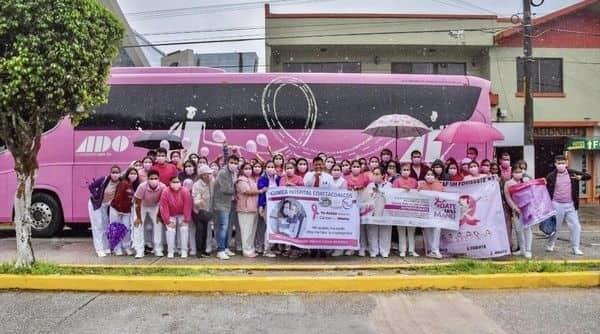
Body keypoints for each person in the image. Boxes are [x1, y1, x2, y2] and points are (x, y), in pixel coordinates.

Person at [545, 155, 591, 255]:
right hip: (556, 204)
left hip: (571, 204)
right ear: (555, 164)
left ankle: (575, 247)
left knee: (576, 226)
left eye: (563, 163)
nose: (561, 165)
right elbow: (546, 191)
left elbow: (588, 176)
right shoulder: (551, 176)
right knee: (555, 227)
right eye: (558, 163)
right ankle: (550, 244)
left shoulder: (572, 173)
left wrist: (581, 177)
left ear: (566, 163)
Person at [87, 165, 121, 257]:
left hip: (105, 206)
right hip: (96, 204)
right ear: (110, 173)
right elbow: (91, 186)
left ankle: (106, 247)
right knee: (98, 226)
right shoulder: (104, 179)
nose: (115, 174)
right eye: (113, 172)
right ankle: (99, 249)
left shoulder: (120, 182)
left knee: (106, 226)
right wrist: (96, 194)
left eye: (117, 172)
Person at [133, 170, 166, 258]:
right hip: (141, 205)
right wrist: (139, 218)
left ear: (159, 179)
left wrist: (159, 215)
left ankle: (158, 249)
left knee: (158, 224)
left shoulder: (163, 187)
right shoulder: (142, 186)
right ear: (147, 179)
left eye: (156, 178)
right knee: (138, 225)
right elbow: (137, 203)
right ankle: (139, 251)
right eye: (151, 178)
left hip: (155, 206)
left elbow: (162, 203)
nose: (153, 180)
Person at [159, 176, 193, 258]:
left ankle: (184, 250)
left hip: (182, 213)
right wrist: (167, 221)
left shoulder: (185, 191)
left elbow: (188, 206)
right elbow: (164, 207)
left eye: (177, 182)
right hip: (170, 214)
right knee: (170, 230)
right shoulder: (165, 192)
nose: (176, 184)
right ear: (170, 183)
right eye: (174, 182)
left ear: (180, 183)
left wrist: (186, 219)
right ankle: (171, 251)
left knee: (184, 229)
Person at [361, 167, 392, 258]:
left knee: (385, 230)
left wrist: (381, 193)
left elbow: (392, 198)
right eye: (374, 174)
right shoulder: (370, 186)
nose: (375, 176)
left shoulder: (389, 185)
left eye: (377, 174)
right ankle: (373, 251)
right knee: (372, 231)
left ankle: (384, 251)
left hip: (384, 211)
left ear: (383, 175)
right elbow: (364, 198)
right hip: (372, 212)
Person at [213, 155, 239, 260]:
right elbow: (225, 189)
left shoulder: (233, 173)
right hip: (220, 204)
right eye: (232, 162)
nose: (234, 165)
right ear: (227, 162)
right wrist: (238, 189)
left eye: (236, 163)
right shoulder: (223, 173)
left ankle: (226, 247)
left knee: (227, 227)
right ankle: (220, 250)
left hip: (229, 203)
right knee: (222, 227)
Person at [109, 167, 139, 256]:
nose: (133, 175)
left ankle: (126, 247)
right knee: (116, 228)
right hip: (116, 209)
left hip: (126, 211)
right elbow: (118, 197)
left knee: (126, 229)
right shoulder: (123, 183)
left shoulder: (134, 185)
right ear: (127, 174)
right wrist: (119, 209)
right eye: (131, 173)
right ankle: (116, 248)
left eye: (135, 174)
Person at [504, 165, 533, 259]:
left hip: (527, 209)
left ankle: (528, 250)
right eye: (516, 172)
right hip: (516, 210)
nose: (518, 174)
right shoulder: (508, 183)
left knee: (527, 229)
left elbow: (532, 192)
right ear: (512, 173)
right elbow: (507, 197)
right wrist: (514, 208)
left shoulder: (526, 181)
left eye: (520, 172)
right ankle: (522, 249)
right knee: (518, 230)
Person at [393, 163, 419, 257]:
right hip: (400, 209)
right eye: (404, 170)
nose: (406, 171)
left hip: (412, 208)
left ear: (410, 171)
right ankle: (402, 250)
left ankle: (412, 250)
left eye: (408, 170)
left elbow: (417, 193)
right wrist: (402, 190)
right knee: (401, 230)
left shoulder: (414, 181)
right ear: (400, 171)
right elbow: (393, 194)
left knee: (411, 231)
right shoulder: (397, 181)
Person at [235, 163, 261, 258]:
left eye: (250, 168)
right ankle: (246, 250)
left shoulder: (251, 179)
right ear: (242, 170)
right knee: (246, 231)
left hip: (253, 208)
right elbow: (246, 191)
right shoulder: (241, 180)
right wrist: (261, 191)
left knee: (252, 231)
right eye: (246, 168)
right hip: (244, 209)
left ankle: (251, 248)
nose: (248, 170)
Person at [418, 169, 444, 259]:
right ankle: (430, 250)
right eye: (427, 174)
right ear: (424, 176)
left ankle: (435, 250)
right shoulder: (421, 186)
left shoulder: (439, 186)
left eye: (431, 174)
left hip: (437, 212)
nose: (429, 176)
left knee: (437, 228)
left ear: (435, 176)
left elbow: (444, 199)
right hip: (425, 212)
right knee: (427, 229)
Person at [257, 161, 281, 257]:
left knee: (274, 228)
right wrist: (261, 206)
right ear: (265, 168)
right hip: (267, 206)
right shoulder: (262, 179)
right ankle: (266, 250)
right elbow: (261, 194)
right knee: (269, 228)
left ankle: (270, 248)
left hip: (277, 207)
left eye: (272, 167)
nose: (270, 168)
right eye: (268, 167)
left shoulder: (278, 179)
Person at [192, 165, 215, 258]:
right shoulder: (197, 185)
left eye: (210, 174)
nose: (210, 176)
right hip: (199, 211)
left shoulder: (212, 182)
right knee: (200, 231)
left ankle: (205, 250)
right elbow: (196, 200)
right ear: (202, 175)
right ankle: (199, 251)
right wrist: (200, 203)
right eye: (207, 174)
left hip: (208, 210)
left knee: (206, 231)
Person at [178, 160, 198, 255]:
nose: (188, 168)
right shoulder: (180, 178)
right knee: (186, 227)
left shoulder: (197, 177)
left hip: (196, 204)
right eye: (186, 166)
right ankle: (186, 248)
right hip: (184, 205)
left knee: (195, 227)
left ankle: (195, 248)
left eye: (190, 166)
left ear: (194, 167)